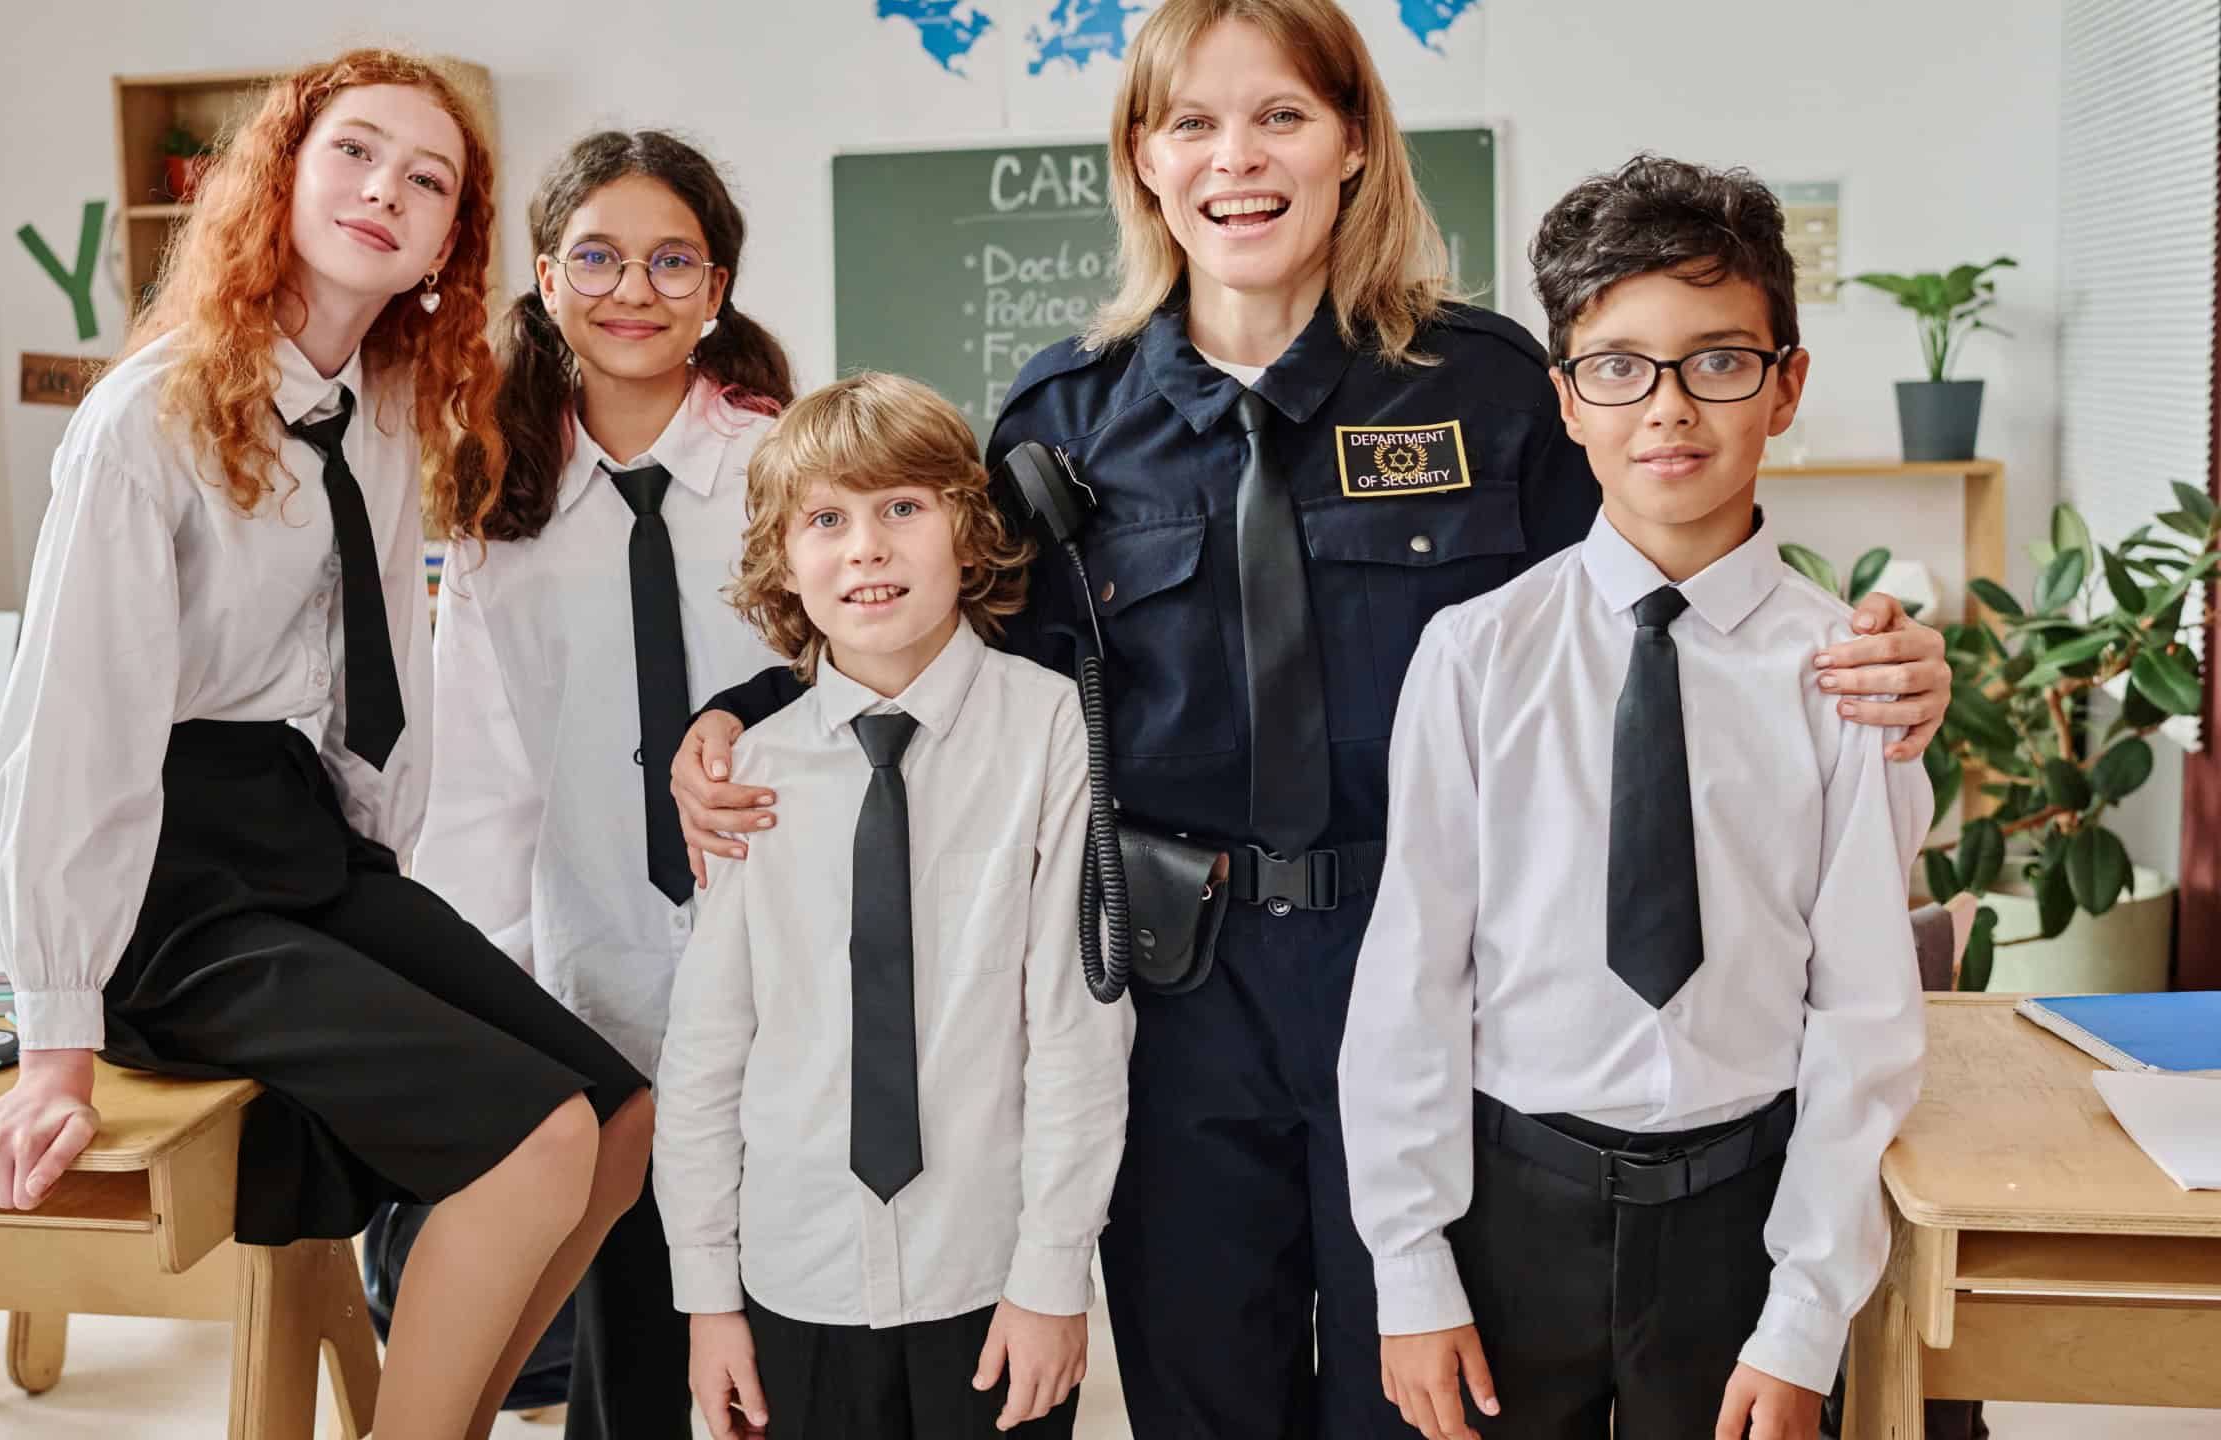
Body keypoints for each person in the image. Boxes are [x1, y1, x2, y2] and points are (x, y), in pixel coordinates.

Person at [667, 3, 1954, 1434]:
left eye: (1281, 115)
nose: (1240, 159)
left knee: (1425, 1399)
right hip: (1173, 993)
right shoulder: (1062, 419)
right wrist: (746, 709)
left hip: (1434, 978)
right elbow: (949, 661)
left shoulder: (1484, 389)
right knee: (1206, 1395)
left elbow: (1656, 596)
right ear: (1143, 160)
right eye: (1194, 124)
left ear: (1353, 140)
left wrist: (1874, 661)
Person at [0, 50, 650, 1437]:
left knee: (622, 1123)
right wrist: (55, 1044)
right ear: (281, 176)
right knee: (532, 1148)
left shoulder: (383, 407)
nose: (385, 189)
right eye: (355, 152)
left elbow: (375, 656)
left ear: (451, 242)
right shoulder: (145, 420)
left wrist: (371, 869)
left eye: (428, 178)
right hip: (165, 876)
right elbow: (73, 734)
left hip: (304, 847)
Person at [1340, 154, 1930, 1440]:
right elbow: (1413, 977)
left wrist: (1807, 1310)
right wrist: (1409, 1265)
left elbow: (1865, 1020)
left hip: (1742, 1218)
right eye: (1618, 366)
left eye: (1718, 361)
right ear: (1565, 399)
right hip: (1509, 1205)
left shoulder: (1846, 680)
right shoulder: (1476, 653)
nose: (1667, 408)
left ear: (1785, 388)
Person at [653, 373, 1133, 1440]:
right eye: (825, 519)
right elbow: (705, 1053)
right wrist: (706, 1298)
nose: (865, 549)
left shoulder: (1049, 727)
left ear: (968, 534)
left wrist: (1054, 1274)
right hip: (793, 1271)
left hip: (983, 1264)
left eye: (901, 509)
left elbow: (1075, 1026)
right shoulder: (750, 768)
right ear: (785, 560)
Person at [406, 127, 795, 1440]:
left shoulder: (786, 468)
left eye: (673, 260)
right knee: (628, 1316)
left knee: (786, 1302)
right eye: (601, 257)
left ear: (720, 285)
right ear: (546, 275)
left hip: (782, 945)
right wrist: (486, 974)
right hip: (589, 964)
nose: (636, 290)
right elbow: (478, 767)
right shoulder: (494, 491)